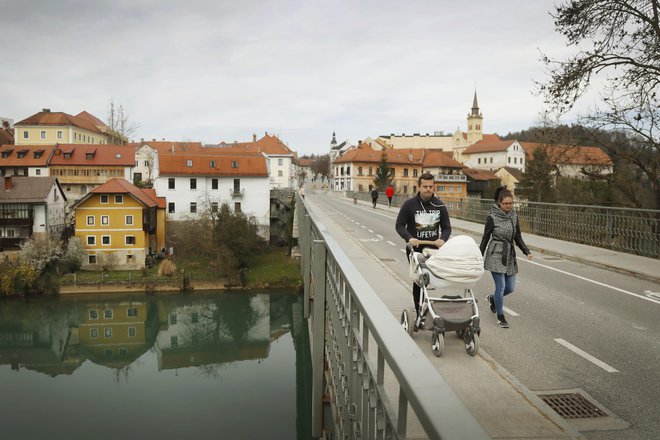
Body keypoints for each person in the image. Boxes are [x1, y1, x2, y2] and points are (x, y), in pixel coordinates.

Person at [395, 173, 451, 317]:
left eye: (430, 186)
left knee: (430, 278)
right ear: (419, 186)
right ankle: (418, 308)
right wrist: (409, 237)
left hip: (433, 249)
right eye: (424, 186)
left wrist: (443, 239)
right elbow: (399, 225)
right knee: (419, 279)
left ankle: (426, 302)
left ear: (434, 187)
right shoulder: (409, 205)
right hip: (415, 249)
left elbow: (446, 227)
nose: (427, 189)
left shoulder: (439, 205)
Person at [479, 187, 533, 328]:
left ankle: (492, 299)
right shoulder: (492, 217)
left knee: (510, 288)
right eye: (506, 204)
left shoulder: (514, 216)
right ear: (499, 203)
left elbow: (517, 236)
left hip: (509, 254)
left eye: (511, 203)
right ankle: (500, 316)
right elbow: (485, 238)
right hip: (496, 253)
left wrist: (526, 251)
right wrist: (479, 255)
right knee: (501, 286)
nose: (509, 206)